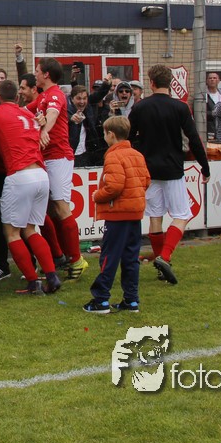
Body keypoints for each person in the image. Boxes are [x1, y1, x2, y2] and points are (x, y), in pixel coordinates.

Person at [0, 64, 61, 297]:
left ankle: (33, 282)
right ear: (17, 96)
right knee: (31, 229)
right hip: (41, 175)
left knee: (12, 232)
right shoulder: (29, 114)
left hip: (20, 175)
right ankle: (52, 275)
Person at [128, 64, 210, 284]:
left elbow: (129, 137)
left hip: (149, 169)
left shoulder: (140, 107)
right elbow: (194, 139)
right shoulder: (180, 107)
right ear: (170, 83)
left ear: (152, 83)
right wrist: (205, 166)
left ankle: (161, 264)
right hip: (173, 168)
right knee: (182, 215)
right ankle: (164, 257)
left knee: (155, 217)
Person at [28, 59, 87, 281]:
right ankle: (61, 256)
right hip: (45, 158)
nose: (35, 74)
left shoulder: (56, 94)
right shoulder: (42, 96)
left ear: (46, 74)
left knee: (62, 207)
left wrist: (44, 130)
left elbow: (52, 114)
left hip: (59, 157)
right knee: (48, 211)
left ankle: (77, 259)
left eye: (37, 71)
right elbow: (22, 112)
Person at [85, 115, 149, 314]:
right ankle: (131, 299)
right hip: (134, 212)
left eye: (104, 133)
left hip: (118, 214)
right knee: (131, 257)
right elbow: (146, 180)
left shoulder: (113, 156)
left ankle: (101, 298)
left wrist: (98, 195)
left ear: (111, 134)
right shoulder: (137, 154)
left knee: (109, 256)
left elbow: (114, 186)